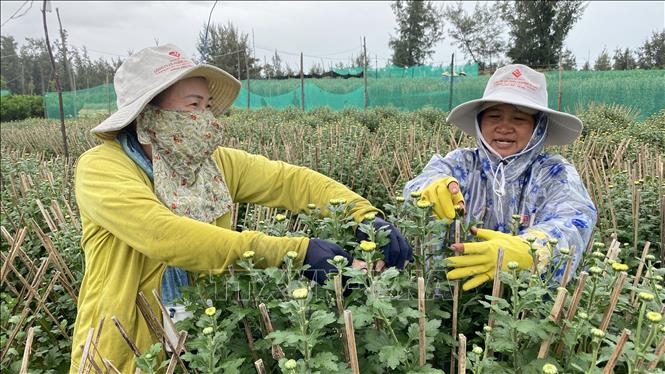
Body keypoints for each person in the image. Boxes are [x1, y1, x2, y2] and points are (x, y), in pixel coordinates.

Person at [70, 44, 411, 372]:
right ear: (148, 114)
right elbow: (164, 235)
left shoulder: (211, 165)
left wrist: (365, 215)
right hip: (124, 352)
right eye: (193, 105)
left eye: (208, 106)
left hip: (203, 342)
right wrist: (292, 251)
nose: (206, 118)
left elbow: (289, 181)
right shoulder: (102, 168)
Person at [404, 64, 597, 291]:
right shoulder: (462, 163)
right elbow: (420, 183)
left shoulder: (554, 172)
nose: (504, 127)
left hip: (526, 303)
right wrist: (431, 188)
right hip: (453, 293)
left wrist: (529, 249)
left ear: (538, 128)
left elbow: (575, 218)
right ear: (479, 122)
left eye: (519, 119)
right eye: (494, 116)